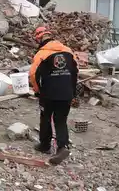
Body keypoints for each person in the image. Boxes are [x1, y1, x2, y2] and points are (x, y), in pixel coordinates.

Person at [29, 26, 78, 165]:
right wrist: (73, 91)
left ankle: (45, 145)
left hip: (48, 93)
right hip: (66, 93)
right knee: (61, 120)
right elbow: (75, 71)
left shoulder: (41, 54)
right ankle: (62, 147)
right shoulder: (68, 51)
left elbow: (33, 74)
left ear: (39, 39)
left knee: (46, 118)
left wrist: (37, 90)